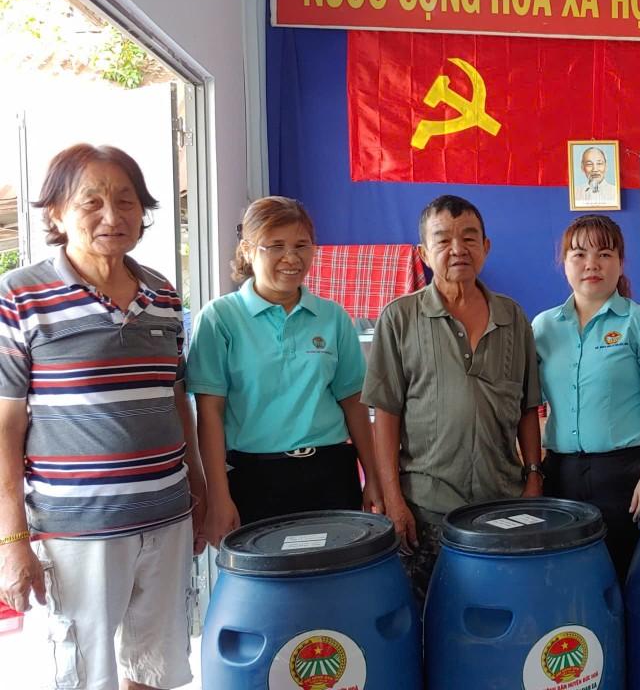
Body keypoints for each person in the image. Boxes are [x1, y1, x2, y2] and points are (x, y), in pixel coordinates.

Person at [0, 144, 204, 690]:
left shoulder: (163, 294)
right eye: (91, 202)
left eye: (126, 201)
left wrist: (200, 490)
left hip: (167, 515)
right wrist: (12, 539)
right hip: (78, 528)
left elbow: (175, 399)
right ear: (56, 213)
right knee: (86, 675)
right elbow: (5, 429)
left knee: (156, 668)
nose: (112, 216)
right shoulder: (21, 296)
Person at [363, 195, 542, 600]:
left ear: (486, 247)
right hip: (426, 508)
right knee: (428, 617)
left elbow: (528, 407)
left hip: (502, 505)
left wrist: (534, 478)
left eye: (469, 238)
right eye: (443, 240)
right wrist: (393, 499)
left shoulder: (514, 317)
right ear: (424, 253)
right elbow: (385, 415)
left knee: (499, 613)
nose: (458, 249)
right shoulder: (399, 318)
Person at [188, 196, 380, 547]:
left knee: (334, 574)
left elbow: (354, 403)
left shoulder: (333, 317)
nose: (291, 258)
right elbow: (209, 414)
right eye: (275, 246)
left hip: (331, 475)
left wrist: (374, 479)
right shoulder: (219, 319)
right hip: (253, 478)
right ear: (248, 251)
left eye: (302, 245)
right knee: (266, 579)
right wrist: (218, 496)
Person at [532, 215, 640, 577]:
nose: (592, 264)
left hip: (625, 475)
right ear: (564, 262)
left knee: (627, 575)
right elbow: (528, 404)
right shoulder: (543, 327)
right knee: (567, 578)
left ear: (620, 262)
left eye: (604, 254)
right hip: (560, 476)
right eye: (579, 254)